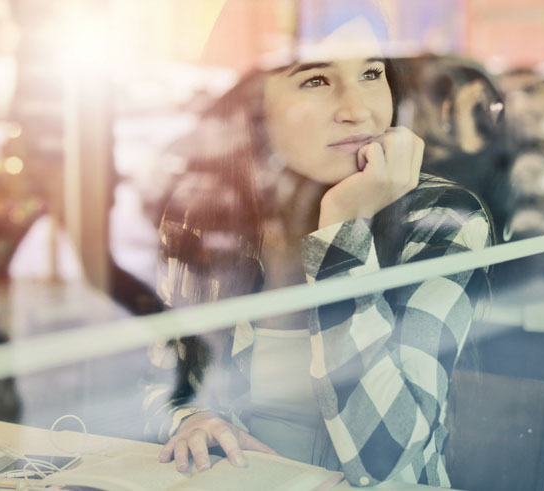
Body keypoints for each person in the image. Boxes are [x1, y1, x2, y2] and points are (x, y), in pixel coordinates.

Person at [142, 6, 493, 488]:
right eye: (315, 80)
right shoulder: (199, 218)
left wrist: (342, 233)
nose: (359, 109)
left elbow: (385, 457)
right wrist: (191, 420)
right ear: (250, 107)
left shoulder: (441, 219)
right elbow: (159, 381)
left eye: (372, 73)